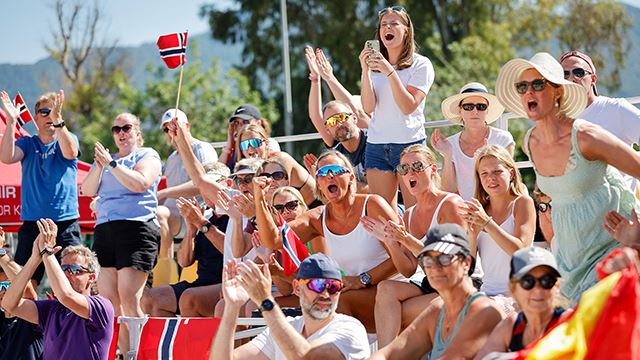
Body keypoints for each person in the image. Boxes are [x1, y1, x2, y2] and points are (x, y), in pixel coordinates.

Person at [495, 52, 640, 303]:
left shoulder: (586, 136)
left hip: (610, 246)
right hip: (570, 258)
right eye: (522, 86)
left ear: (558, 92)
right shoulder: (529, 143)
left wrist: (637, 237)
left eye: (538, 84)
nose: (529, 92)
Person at [255, 150, 400, 332]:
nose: (329, 175)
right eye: (322, 173)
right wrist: (259, 197)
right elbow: (274, 241)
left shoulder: (373, 205)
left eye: (335, 170)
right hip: (356, 294)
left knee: (331, 304)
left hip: (393, 288)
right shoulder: (318, 218)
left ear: (351, 178)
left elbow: (405, 257)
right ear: (319, 185)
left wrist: (362, 279)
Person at [361, 144, 467, 347]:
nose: (410, 173)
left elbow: (451, 261)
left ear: (433, 169)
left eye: (417, 166)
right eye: (403, 169)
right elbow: (409, 270)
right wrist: (390, 242)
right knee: (385, 289)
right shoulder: (409, 214)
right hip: (430, 283)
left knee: (397, 315)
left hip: (458, 282)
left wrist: (405, 239)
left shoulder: (450, 204)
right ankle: (385, 354)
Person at [81, 113, 162, 339]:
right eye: (116, 130)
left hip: (136, 228)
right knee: (109, 304)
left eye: (126, 128)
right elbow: (87, 190)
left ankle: (142, 353)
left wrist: (111, 163)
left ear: (137, 132)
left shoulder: (147, 154)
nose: (121, 134)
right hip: (106, 229)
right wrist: (99, 166)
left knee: (129, 299)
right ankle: (122, 353)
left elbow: (140, 183)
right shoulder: (108, 161)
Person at [371, 224, 502, 359]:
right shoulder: (437, 311)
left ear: (466, 263)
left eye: (444, 259)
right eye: (428, 260)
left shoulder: (484, 311)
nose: (435, 267)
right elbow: (389, 353)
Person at [210, 253, 371, 360]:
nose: (326, 294)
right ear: (297, 288)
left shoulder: (350, 328)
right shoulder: (285, 327)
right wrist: (232, 307)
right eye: (317, 285)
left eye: (334, 287)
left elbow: (306, 357)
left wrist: (265, 301)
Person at [0, 90, 82, 286]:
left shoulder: (68, 138)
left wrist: (58, 121)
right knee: (24, 283)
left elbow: (71, 152)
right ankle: (25, 318)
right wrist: (11, 122)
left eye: (55, 111)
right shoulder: (27, 143)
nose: (50, 116)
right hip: (32, 225)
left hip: (65, 224)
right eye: (45, 112)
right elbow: (6, 157)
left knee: (73, 281)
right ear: (35, 118)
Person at [2, 219, 114, 360]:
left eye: (74, 270)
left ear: (91, 277)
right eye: (63, 269)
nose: (66, 274)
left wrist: (47, 251)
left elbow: (65, 295)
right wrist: (35, 259)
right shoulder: (51, 309)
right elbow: (9, 304)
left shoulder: (101, 306)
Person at [359, 6, 435, 209]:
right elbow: (368, 107)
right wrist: (365, 71)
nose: (387, 28)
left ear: (406, 30)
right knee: (384, 216)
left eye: (394, 23)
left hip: (409, 145)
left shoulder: (421, 64)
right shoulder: (375, 69)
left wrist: (388, 71)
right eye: (384, 24)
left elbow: (408, 106)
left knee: (415, 211)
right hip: (376, 146)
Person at [142, 165, 230, 317]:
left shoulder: (235, 215)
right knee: (151, 300)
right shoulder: (205, 215)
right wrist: (191, 229)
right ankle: (176, 341)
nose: (205, 192)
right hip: (201, 283)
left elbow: (232, 252)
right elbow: (184, 262)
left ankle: (200, 341)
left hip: (228, 283)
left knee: (189, 299)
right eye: (201, 187)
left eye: (210, 185)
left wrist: (202, 224)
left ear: (227, 184)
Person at [461, 145, 536, 301]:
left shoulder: (522, 203)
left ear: (511, 173)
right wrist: (472, 236)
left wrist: (487, 223)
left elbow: (520, 252)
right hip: (486, 292)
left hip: (516, 294)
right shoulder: (480, 210)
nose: (491, 178)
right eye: (484, 174)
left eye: (497, 171)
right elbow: (467, 268)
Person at [559, 50, 640, 192]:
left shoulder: (616, 109)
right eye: (564, 74)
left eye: (578, 72)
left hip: (618, 210)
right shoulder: (558, 120)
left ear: (593, 79)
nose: (571, 78)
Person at [475, 247, 570, 359]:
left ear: (557, 286)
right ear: (513, 289)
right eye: (527, 282)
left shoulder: (569, 322)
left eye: (546, 281)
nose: (538, 289)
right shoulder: (512, 326)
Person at [431, 82, 515, 200]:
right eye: (468, 107)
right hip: (466, 208)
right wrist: (448, 154)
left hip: (496, 204)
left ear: (487, 111)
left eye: (481, 107)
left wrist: (485, 158)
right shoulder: (450, 145)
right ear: (460, 110)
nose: (475, 111)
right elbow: (447, 190)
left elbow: (508, 181)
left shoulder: (503, 139)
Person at [156, 108, 218, 262]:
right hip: (175, 215)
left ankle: (165, 273)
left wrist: (164, 193)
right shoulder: (171, 159)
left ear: (187, 127)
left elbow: (204, 184)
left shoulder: (202, 148)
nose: (170, 132)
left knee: (159, 214)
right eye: (166, 129)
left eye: (174, 126)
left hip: (195, 215)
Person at [306, 47, 369, 190]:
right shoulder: (337, 150)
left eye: (341, 117)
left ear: (354, 118)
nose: (338, 123)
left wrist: (329, 77)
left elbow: (374, 191)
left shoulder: (373, 138)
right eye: (333, 121)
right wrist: (315, 80)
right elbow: (316, 116)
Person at [234, 124, 317, 206]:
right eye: (244, 145)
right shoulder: (249, 169)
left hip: (314, 205)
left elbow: (278, 196)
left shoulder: (280, 160)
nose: (250, 148)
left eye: (254, 142)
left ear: (266, 144)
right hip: (290, 210)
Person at [0, 226, 43, 360]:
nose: (2, 291)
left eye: (7, 285)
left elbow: (26, 286)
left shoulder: (31, 317)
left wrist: (1, 253)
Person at [219, 104, 281, 168]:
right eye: (237, 123)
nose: (240, 126)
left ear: (258, 123)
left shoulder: (269, 143)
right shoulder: (236, 146)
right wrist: (230, 142)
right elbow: (219, 170)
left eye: (245, 121)